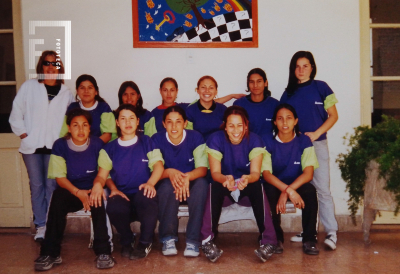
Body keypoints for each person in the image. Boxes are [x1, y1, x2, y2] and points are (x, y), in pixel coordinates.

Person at [34, 109, 114, 271]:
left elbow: (103, 171)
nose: (80, 129)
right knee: (57, 198)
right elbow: (60, 178)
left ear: (90, 128)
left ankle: (103, 252)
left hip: (92, 188)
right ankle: (50, 253)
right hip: (71, 190)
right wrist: (78, 193)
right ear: (69, 128)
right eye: (75, 125)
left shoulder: (98, 144)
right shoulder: (60, 145)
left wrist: (95, 188)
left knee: (98, 198)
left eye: (85, 125)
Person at [9, 50, 74, 241]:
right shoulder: (29, 87)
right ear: (41, 66)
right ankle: (41, 226)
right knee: (36, 186)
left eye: (54, 64)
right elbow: (16, 113)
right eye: (47, 63)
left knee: (52, 186)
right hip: (32, 147)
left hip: (54, 148)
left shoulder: (66, 93)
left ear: (59, 68)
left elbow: (69, 121)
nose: (50, 67)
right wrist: (24, 134)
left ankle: (52, 225)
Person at [200, 106, 277, 263]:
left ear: (246, 125)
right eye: (231, 125)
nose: (236, 130)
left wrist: (247, 179)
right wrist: (225, 180)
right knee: (213, 186)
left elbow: (256, 174)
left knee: (258, 186)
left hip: (245, 188)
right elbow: (215, 173)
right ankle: (207, 241)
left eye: (240, 125)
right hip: (225, 187)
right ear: (225, 126)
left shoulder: (255, 140)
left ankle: (269, 241)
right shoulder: (216, 139)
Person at [280, 51, 339, 250]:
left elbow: (333, 116)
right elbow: (282, 120)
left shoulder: (321, 87)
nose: (301, 70)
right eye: (297, 66)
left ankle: (331, 231)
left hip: (317, 145)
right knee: (305, 188)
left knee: (322, 189)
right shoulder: (288, 92)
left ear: (312, 67)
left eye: (305, 66)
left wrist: (315, 133)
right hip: (295, 148)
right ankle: (308, 231)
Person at [91, 104, 164, 260]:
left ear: (138, 121)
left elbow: (158, 166)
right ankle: (126, 239)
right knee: (114, 205)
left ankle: (145, 242)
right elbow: (101, 176)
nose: (127, 122)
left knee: (148, 196)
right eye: (123, 119)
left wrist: (150, 183)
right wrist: (99, 185)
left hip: (142, 193)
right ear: (117, 122)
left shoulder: (147, 142)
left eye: (131, 118)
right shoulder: (108, 149)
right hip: (122, 194)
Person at [262, 104, 319, 255]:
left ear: (296, 121)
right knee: (269, 193)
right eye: (280, 119)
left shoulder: (304, 141)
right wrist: (286, 191)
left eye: (289, 118)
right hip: (275, 182)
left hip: (297, 181)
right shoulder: (267, 141)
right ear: (274, 122)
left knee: (310, 191)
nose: (285, 123)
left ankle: (309, 239)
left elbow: (308, 174)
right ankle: (275, 239)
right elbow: (266, 174)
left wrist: (289, 191)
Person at [152, 106, 208, 257]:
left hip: (191, 179)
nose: (174, 126)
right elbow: (153, 170)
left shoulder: (196, 137)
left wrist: (186, 177)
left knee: (202, 185)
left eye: (178, 121)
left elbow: (202, 168)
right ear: (163, 124)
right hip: (167, 181)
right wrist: (170, 173)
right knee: (165, 188)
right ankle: (168, 238)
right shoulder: (156, 139)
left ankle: (193, 241)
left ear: (185, 123)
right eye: (169, 122)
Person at [151, 77, 245, 132]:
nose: (168, 94)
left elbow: (209, 101)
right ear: (198, 90)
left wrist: (232, 96)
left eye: (172, 90)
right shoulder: (154, 113)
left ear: (177, 91)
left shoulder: (182, 107)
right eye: (165, 90)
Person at [60, 74, 116, 143]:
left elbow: (107, 135)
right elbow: (64, 133)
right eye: (82, 88)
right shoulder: (72, 107)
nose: (86, 91)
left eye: (90, 88)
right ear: (77, 91)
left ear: (96, 91)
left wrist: (91, 148)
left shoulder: (103, 107)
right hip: (76, 149)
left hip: (98, 149)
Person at [233, 68, 280, 136]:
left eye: (259, 81)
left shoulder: (275, 104)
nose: (255, 85)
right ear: (248, 84)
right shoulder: (239, 104)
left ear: (265, 83)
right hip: (246, 145)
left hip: (268, 145)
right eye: (252, 82)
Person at [185, 76, 227, 141]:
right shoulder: (190, 111)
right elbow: (188, 137)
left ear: (216, 91)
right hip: (198, 148)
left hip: (218, 148)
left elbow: (228, 134)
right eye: (203, 87)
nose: (207, 91)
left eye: (211, 88)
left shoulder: (223, 110)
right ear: (197, 90)